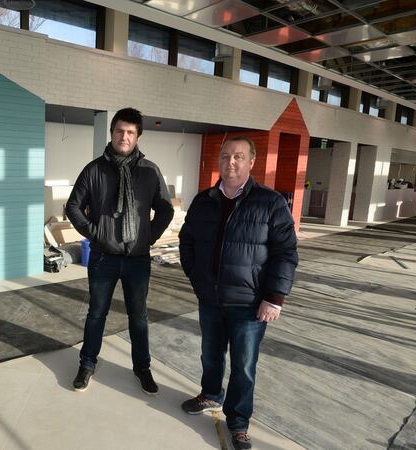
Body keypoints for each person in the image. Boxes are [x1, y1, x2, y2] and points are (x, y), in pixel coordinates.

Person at [178, 136, 297, 450]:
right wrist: (196, 276)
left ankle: (239, 421)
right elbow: (186, 240)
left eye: (238, 157)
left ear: (251, 162)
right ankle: (211, 394)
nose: (231, 163)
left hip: (250, 304)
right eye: (226, 156)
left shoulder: (271, 203)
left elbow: (285, 253)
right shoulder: (203, 200)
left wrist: (274, 297)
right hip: (211, 299)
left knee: (244, 365)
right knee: (210, 355)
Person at [65, 107, 174, 394]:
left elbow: (164, 209)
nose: (123, 137)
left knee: (138, 316)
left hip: (137, 260)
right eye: (119, 131)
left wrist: (148, 237)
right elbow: (73, 206)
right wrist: (95, 232)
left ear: (138, 136)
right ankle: (87, 363)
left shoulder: (150, 171)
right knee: (96, 313)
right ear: (112, 133)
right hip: (103, 258)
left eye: (130, 132)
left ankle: (142, 368)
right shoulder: (95, 170)